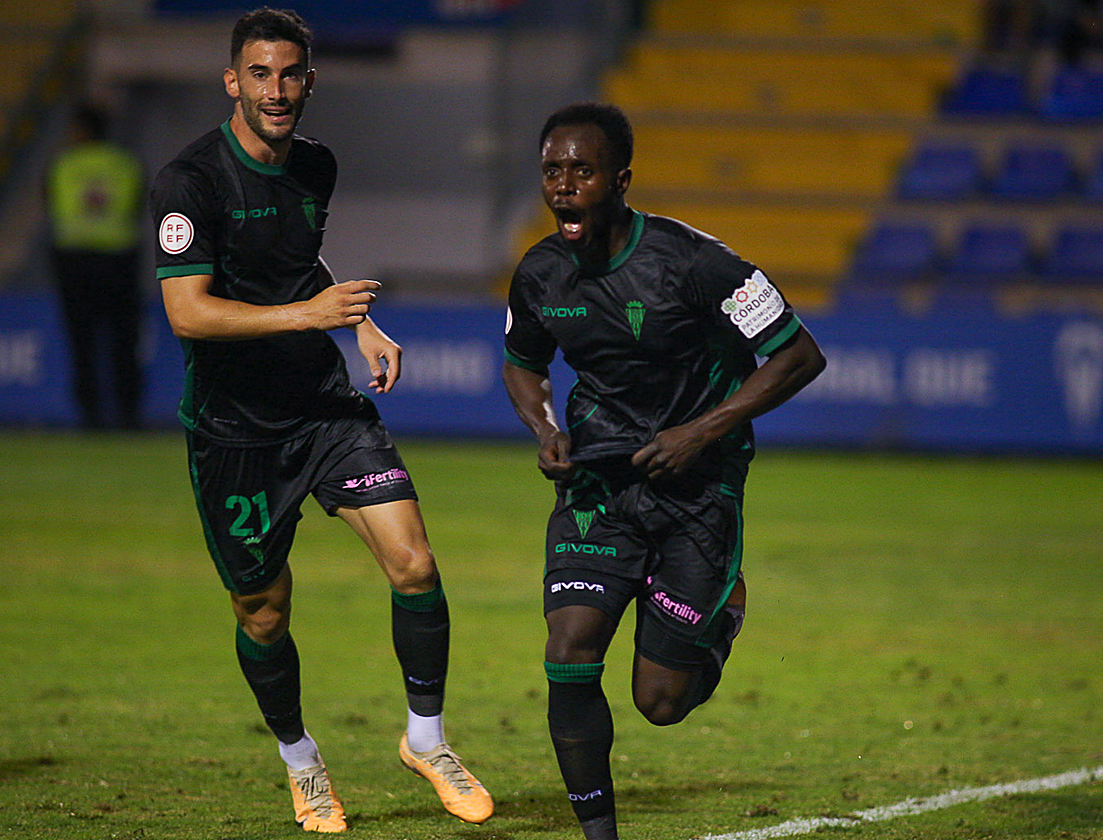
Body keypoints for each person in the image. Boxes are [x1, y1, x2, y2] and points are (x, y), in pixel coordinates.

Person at [148, 8, 492, 833]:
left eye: (291, 73)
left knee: (413, 562)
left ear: (310, 79)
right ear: (232, 80)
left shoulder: (316, 168)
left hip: (324, 410)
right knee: (263, 612)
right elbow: (188, 314)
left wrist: (353, 321)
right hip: (235, 433)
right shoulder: (187, 183)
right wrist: (311, 314)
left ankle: (426, 740)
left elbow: (298, 264)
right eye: (259, 74)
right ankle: (302, 762)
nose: (277, 90)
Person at [502, 102, 826, 840]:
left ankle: (724, 612)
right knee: (569, 650)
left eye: (581, 171)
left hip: (697, 487)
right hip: (598, 487)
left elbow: (800, 354)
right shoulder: (540, 273)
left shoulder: (696, 262)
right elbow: (522, 365)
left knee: (661, 702)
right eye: (553, 171)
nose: (563, 186)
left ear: (621, 179)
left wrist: (701, 431)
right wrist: (545, 427)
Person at [47, 102, 145, 429]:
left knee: (82, 343)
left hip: (74, 262)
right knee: (123, 342)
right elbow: (135, 207)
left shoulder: (62, 164)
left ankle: (89, 416)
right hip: (118, 261)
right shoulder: (125, 164)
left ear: (79, 131)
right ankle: (128, 416)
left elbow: (52, 208)